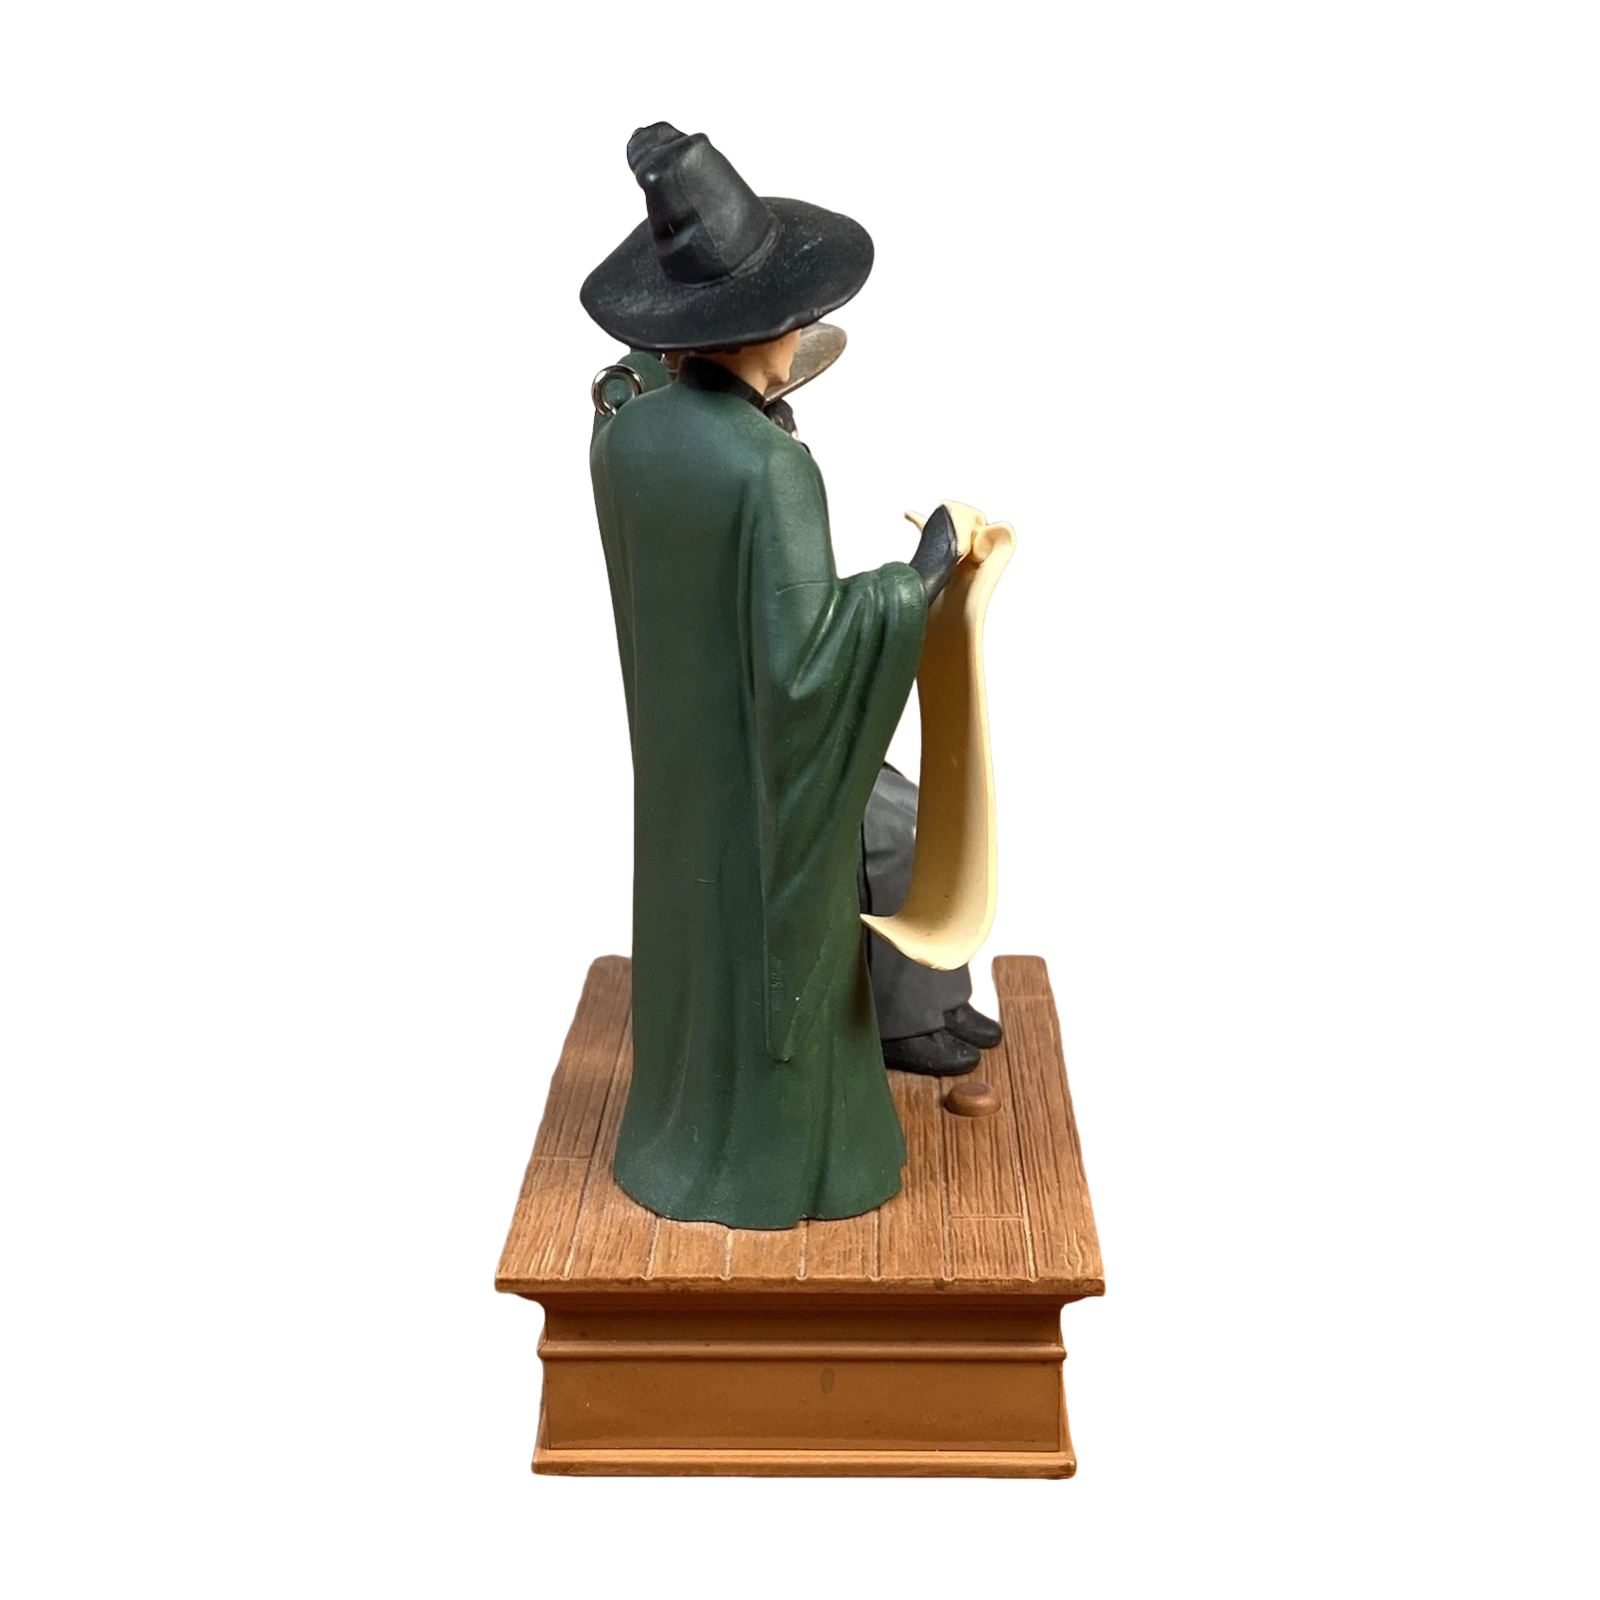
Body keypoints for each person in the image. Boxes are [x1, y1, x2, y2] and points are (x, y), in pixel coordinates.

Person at [581, 124, 993, 1228]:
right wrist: (916, 580)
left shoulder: (624, 436)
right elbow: (809, 674)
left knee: (716, 925)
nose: (805, 333)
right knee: (885, 829)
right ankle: (796, 1151)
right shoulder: (770, 470)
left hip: (686, 770)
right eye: (793, 317)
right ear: (754, 327)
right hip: (767, 783)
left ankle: (688, 1123)